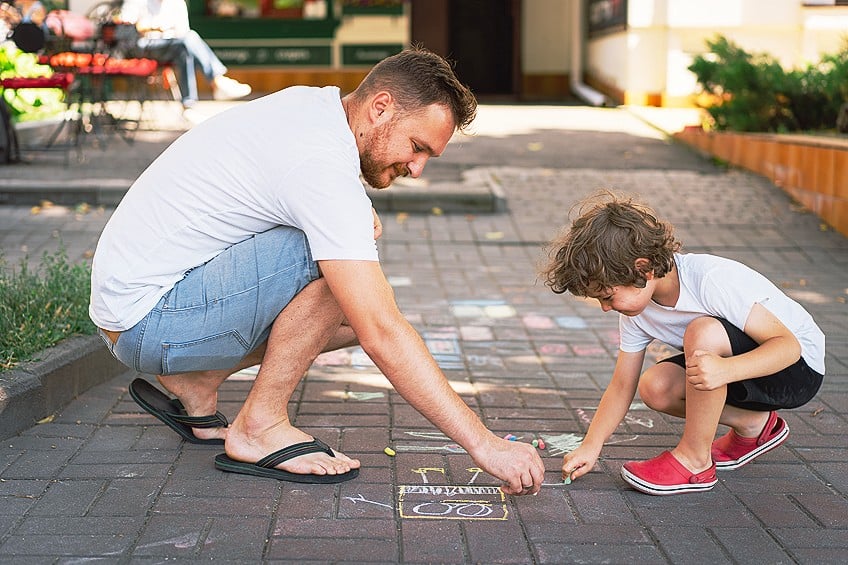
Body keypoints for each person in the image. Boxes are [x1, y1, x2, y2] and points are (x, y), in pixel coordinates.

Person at [89, 46, 546, 494]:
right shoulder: (321, 166)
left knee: (349, 300)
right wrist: (485, 445)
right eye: (417, 146)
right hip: (150, 321)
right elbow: (383, 332)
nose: (418, 168)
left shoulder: (312, 108)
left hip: (139, 311)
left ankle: (199, 379)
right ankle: (260, 426)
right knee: (343, 277)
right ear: (380, 108)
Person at [540, 191, 825, 496]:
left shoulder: (710, 280)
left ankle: (694, 462)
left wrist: (726, 369)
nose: (606, 308)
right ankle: (754, 425)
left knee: (703, 332)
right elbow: (622, 385)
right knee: (655, 387)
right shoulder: (636, 313)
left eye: (608, 296)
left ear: (643, 269)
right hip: (740, 371)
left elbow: (788, 346)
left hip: (796, 370)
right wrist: (590, 445)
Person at [119, 0, 251, 108]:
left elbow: (183, 32)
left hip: (172, 45)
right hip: (143, 46)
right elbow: (125, 25)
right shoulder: (137, 2)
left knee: (186, 45)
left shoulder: (177, 3)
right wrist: (153, 27)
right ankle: (217, 81)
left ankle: (189, 102)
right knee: (186, 42)